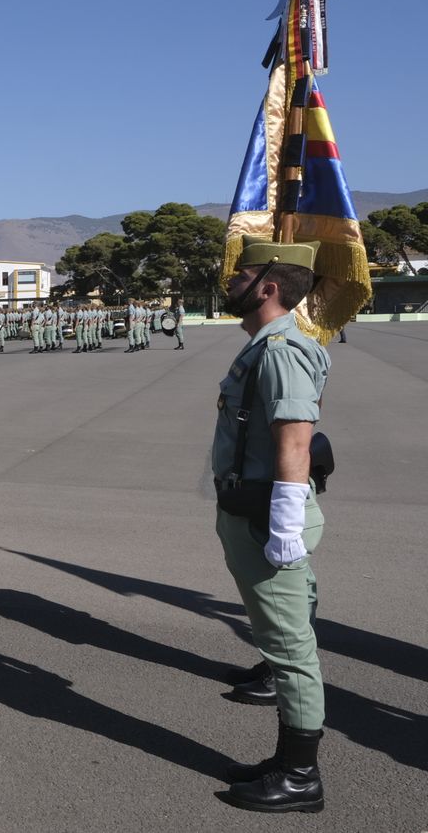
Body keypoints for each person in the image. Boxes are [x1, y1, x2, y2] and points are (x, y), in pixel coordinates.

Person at [211, 240, 330, 813]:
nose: (232, 280)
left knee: (288, 649)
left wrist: (283, 525)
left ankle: (301, 776)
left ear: (269, 287)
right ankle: (287, 761)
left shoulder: (280, 350)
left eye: (243, 273)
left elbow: (295, 440)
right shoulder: (267, 345)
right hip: (255, 510)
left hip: (267, 519)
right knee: (284, 642)